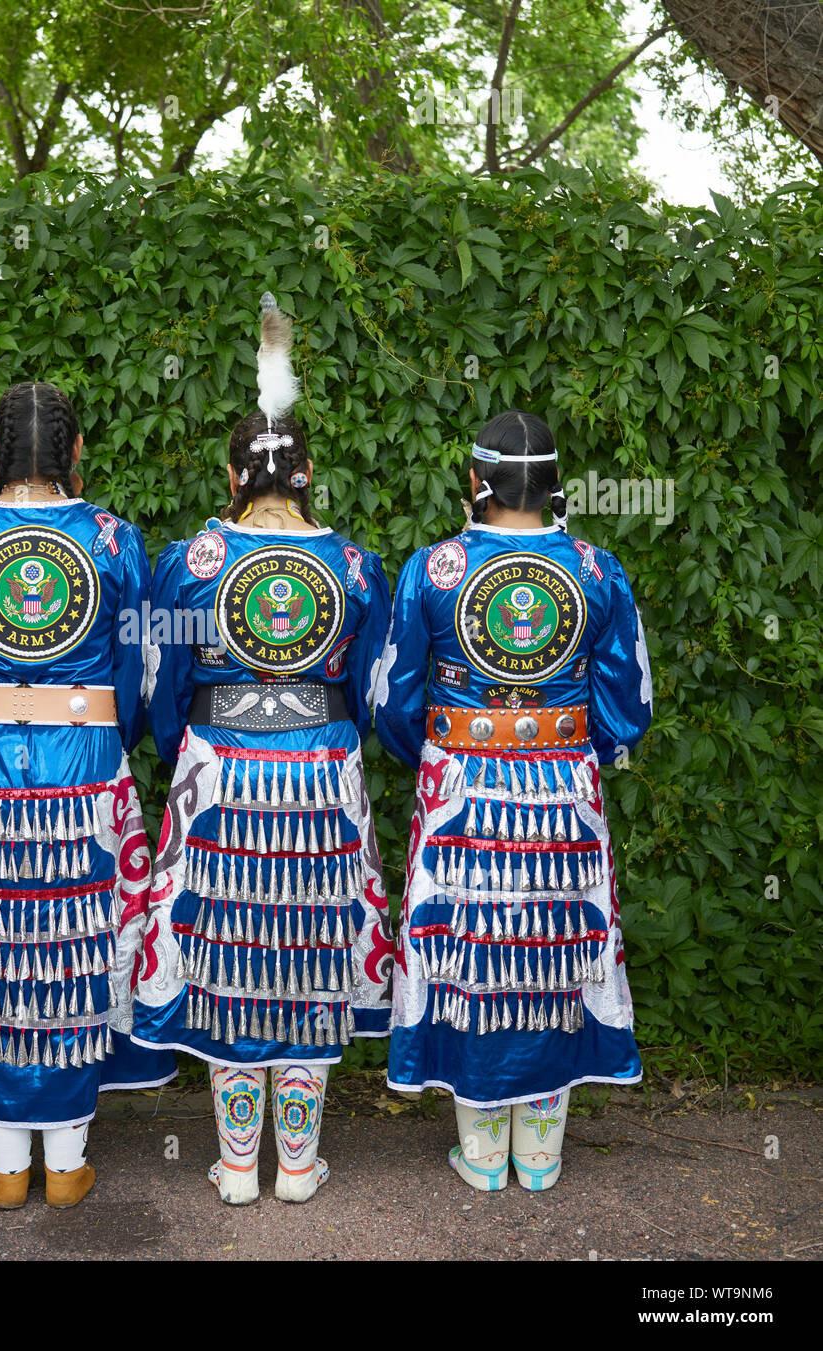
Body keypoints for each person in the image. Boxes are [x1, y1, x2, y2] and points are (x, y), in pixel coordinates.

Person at [131, 296, 394, 1205]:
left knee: (234, 956)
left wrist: (192, 744)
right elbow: (377, 691)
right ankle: (297, 1163)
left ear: (230, 475)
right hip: (321, 770)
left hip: (219, 774)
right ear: (309, 472)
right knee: (309, 949)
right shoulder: (356, 566)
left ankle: (237, 1163)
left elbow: (161, 685)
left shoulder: (189, 560)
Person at [0, 381, 176, 1210]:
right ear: (78, 452)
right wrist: (100, 737)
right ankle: (68, 1158)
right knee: (74, 941)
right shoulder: (117, 541)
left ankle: (6, 1163)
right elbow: (139, 675)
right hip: (83, 756)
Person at [373, 408, 653, 1191]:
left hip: (462, 784)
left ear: (475, 478)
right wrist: (567, 752)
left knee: (470, 950)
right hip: (562, 784)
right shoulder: (597, 571)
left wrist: (438, 752)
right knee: (554, 946)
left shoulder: (433, 570)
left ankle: (484, 1151)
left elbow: (394, 700)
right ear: (553, 480)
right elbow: (628, 705)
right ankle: (541, 1153)